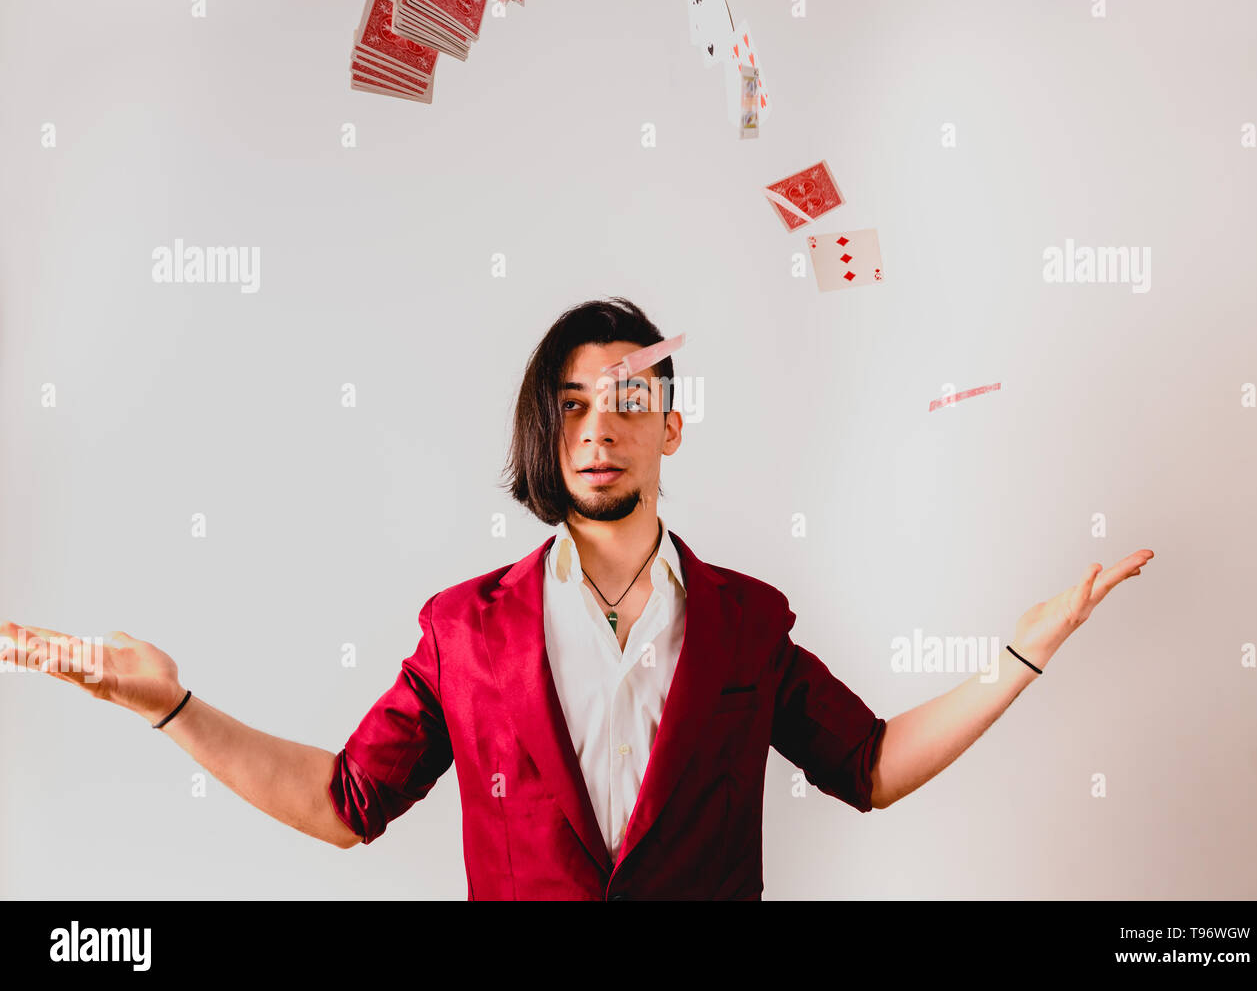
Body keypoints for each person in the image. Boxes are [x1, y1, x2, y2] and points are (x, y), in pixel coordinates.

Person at [0, 296, 1152, 900]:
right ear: (544, 430)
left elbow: (872, 767)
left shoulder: (751, 620)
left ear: (671, 421)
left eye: (625, 395)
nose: (596, 424)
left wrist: (1019, 657)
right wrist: (170, 704)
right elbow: (343, 800)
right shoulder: (463, 628)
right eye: (569, 403)